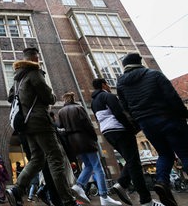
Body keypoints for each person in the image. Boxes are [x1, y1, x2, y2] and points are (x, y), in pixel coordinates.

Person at [5, 47, 76, 206]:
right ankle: (68, 200)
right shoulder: (34, 73)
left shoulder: (17, 79)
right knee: (55, 158)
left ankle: (17, 189)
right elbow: (48, 97)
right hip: (41, 122)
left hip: (26, 125)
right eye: (37, 57)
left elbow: (10, 97)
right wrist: (53, 96)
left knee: (37, 158)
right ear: (34, 58)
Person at [117, 53, 188, 206]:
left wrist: (139, 121)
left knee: (164, 154)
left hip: (147, 125)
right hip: (168, 118)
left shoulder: (120, 84)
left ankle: (162, 182)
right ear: (140, 62)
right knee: (185, 153)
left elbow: (125, 108)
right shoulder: (154, 75)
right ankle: (162, 182)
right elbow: (172, 97)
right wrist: (184, 114)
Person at [92, 78, 161, 206]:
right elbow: (119, 113)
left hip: (108, 133)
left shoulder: (93, 102)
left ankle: (122, 183)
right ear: (103, 85)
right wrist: (130, 128)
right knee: (134, 164)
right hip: (120, 130)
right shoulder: (108, 96)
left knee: (131, 160)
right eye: (107, 84)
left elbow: (98, 119)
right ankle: (146, 201)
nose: (108, 86)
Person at [57, 92, 122, 206]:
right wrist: (94, 138)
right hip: (85, 139)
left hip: (74, 143)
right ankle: (104, 196)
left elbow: (60, 128)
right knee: (98, 168)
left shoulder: (61, 112)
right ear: (73, 98)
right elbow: (88, 124)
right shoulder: (79, 108)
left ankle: (79, 185)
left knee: (88, 165)